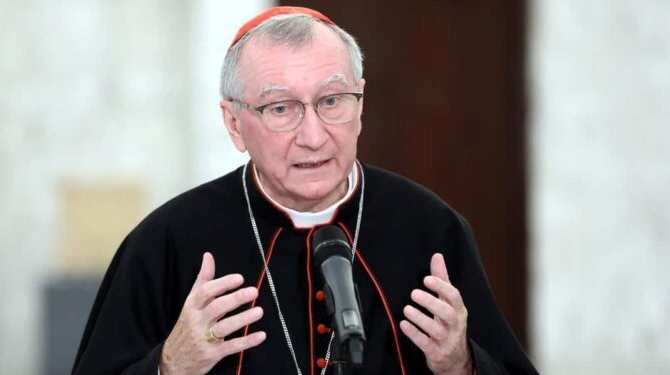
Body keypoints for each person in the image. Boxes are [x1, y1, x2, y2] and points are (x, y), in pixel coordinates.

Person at [72, 6, 538, 375]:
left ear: (360, 105)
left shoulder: (431, 228)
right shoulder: (168, 241)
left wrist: (462, 366)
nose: (313, 135)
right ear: (235, 124)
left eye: (331, 101)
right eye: (281, 108)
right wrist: (169, 368)